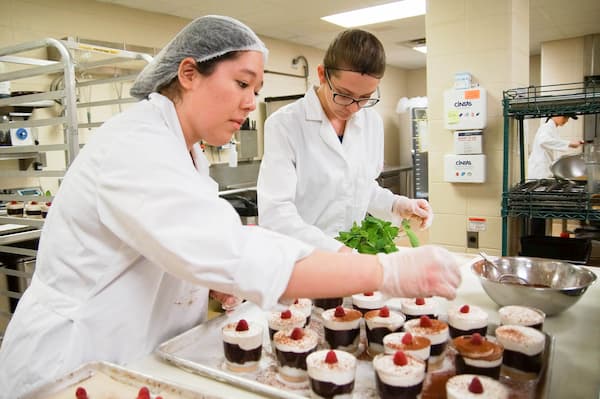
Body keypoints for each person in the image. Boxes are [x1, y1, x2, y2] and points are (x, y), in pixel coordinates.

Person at [0, 16, 461, 398]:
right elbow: (228, 247)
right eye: (241, 83)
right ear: (188, 74)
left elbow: (178, 242)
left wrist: (209, 283)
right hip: (72, 359)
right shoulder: (135, 145)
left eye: (256, 89)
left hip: (135, 354)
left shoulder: (190, 153)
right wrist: (389, 273)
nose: (249, 103)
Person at [257, 29, 433, 253]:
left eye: (365, 98)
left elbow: (360, 187)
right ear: (322, 75)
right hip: (301, 256)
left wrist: (398, 205)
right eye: (343, 94)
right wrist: (336, 251)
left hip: (352, 252)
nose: (353, 107)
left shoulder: (372, 122)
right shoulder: (285, 124)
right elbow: (276, 213)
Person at [527, 114, 583, 179]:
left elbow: (554, 144)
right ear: (555, 114)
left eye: (568, 118)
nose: (566, 120)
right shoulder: (546, 127)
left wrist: (571, 144)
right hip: (540, 172)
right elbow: (543, 141)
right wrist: (569, 144)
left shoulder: (552, 129)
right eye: (565, 117)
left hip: (545, 171)